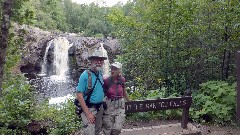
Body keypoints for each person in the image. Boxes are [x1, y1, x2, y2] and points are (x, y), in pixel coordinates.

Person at [76, 49, 111, 135]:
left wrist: (118, 75)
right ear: (91, 61)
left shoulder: (100, 73)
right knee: (89, 132)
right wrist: (88, 113)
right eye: (96, 59)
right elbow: (79, 96)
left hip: (100, 108)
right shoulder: (85, 75)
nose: (99, 62)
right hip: (89, 108)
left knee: (97, 130)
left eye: (101, 60)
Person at [103, 62, 131, 135]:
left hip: (120, 105)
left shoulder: (122, 80)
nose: (113, 70)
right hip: (109, 105)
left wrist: (129, 101)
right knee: (108, 128)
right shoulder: (106, 80)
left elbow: (123, 91)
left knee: (117, 128)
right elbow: (102, 93)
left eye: (115, 69)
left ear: (119, 71)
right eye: (112, 68)